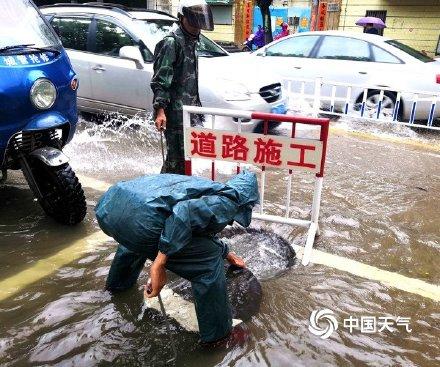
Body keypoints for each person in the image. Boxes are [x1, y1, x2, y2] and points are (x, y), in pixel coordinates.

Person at [95, 171, 259, 345]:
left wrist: (226, 253)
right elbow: (184, 214)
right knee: (208, 264)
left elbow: (197, 228)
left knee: (135, 239)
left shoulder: (203, 187)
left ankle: (117, 288)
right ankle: (219, 336)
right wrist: (159, 264)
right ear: (247, 200)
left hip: (110, 208)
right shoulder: (231, 200)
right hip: (143, 223)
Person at [151, 0, 214, 174]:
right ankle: (165, 193)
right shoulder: (172, 43)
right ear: (182, 18)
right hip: (175, 114)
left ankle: (179, 191)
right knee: (175, 160)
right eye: (194, 21)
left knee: (186, 158)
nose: (197, 27)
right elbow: (160, 81)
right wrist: (160, 110)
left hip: (189, 111)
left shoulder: (192, 41)